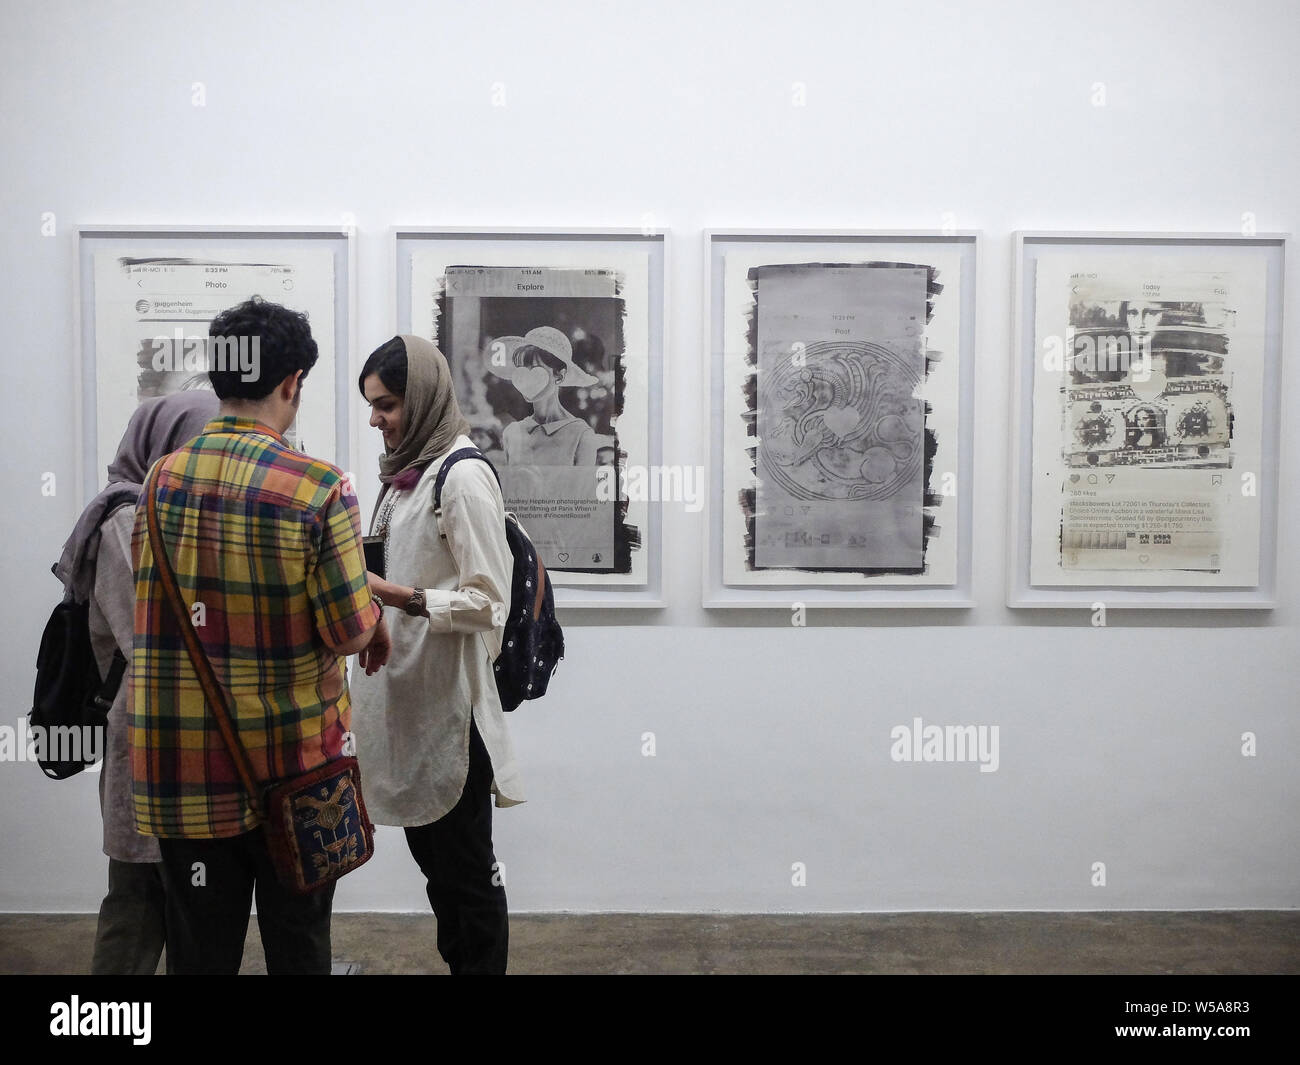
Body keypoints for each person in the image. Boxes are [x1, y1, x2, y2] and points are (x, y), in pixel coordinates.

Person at [130, 296, 390, 975]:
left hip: (182, 774)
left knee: (198, 953)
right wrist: (374, 615)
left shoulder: (158, 482)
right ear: (292, 383)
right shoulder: (318, 487)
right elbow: (350, 629)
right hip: (293, 776)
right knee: (299, 947)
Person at [353, 334, 524, 975]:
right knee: (443, 878)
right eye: (372, 405)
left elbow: (489, 603)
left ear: (423, 398)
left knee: (467, 881)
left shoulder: (463, 477)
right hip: (411, 706)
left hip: (450, 712)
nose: (376, 419)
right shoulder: (405, 476)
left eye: (388, 404)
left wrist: (396, 595)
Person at [53, 391, 219, 974]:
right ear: (164, 447)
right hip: (149, 733)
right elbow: (152, 638)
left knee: (181, 900)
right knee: (137, 898)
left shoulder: (163, 513)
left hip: (173, 731)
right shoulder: (126, 515)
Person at [489, 325, 599, 465]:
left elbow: (584, 487)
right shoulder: (512, 433)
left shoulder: (581, 435)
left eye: (536, 369)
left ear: (559, 375)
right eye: (521, 369)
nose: (527, 378)